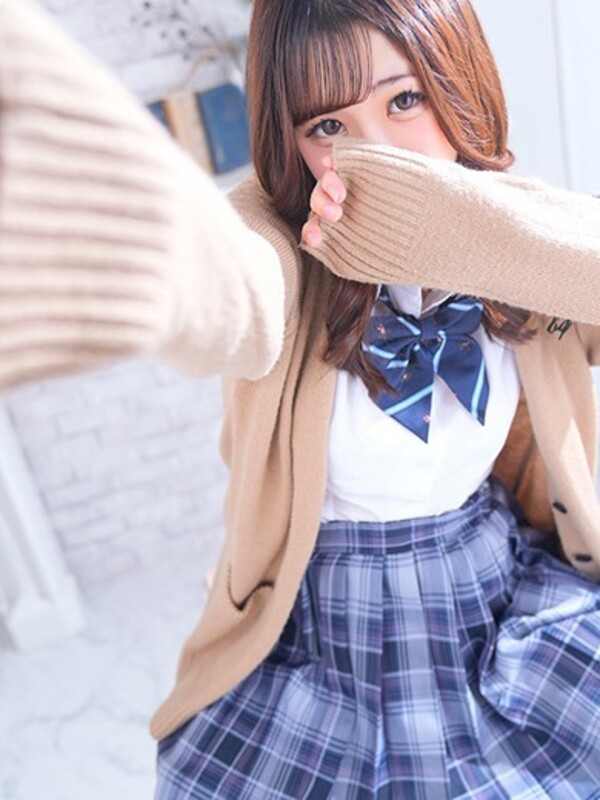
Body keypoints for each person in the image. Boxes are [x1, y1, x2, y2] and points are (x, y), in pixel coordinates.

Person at [1, 0, 599, 798]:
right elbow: (225, 285)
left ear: (459, 82)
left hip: (492, 583)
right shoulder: (281, 249)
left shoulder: (520, 253)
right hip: (334, 622)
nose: (376, 152)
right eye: (329, 126)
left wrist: (460, 224)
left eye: (405, 99)